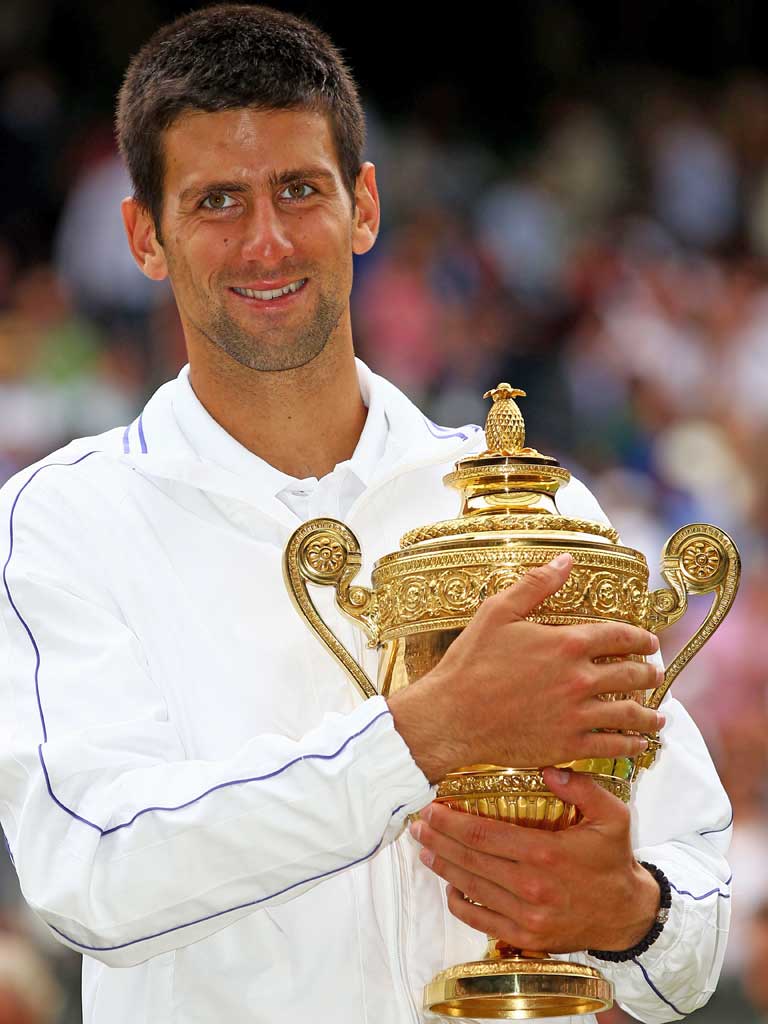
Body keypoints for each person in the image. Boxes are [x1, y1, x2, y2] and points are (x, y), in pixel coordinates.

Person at [0, 6, 731, 1023]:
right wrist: (420, 737)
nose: (265, 241)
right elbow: (91, 868)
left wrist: (626, 914)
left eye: (299, 189)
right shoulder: (59, 520)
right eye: (217, 200)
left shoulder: (530, 503)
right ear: (144, 236)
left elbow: (693, 896)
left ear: (364, 206)